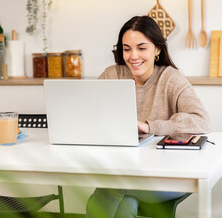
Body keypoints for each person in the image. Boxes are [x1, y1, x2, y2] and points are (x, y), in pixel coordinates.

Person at [85, 15, 211, 218]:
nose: (133, 56)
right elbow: (87, 114)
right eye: (126, 49)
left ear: (157, 50)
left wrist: (150, 126)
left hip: (168, 177)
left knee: (112, 186)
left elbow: (202, 121)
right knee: (126, 202)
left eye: (141, 48)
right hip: (123, 169)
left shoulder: (170, 78)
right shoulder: (112, 75)